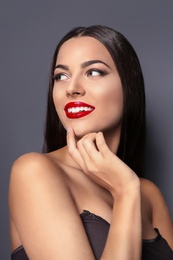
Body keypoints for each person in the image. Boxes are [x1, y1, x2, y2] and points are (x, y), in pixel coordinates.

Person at [9, 25, 173, 260]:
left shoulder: (148, 194)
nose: (72, 89)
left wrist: (130, 187)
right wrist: (125, 191)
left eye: (93, 72)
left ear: (128, 85)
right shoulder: (34, 172)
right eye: (61, 76)